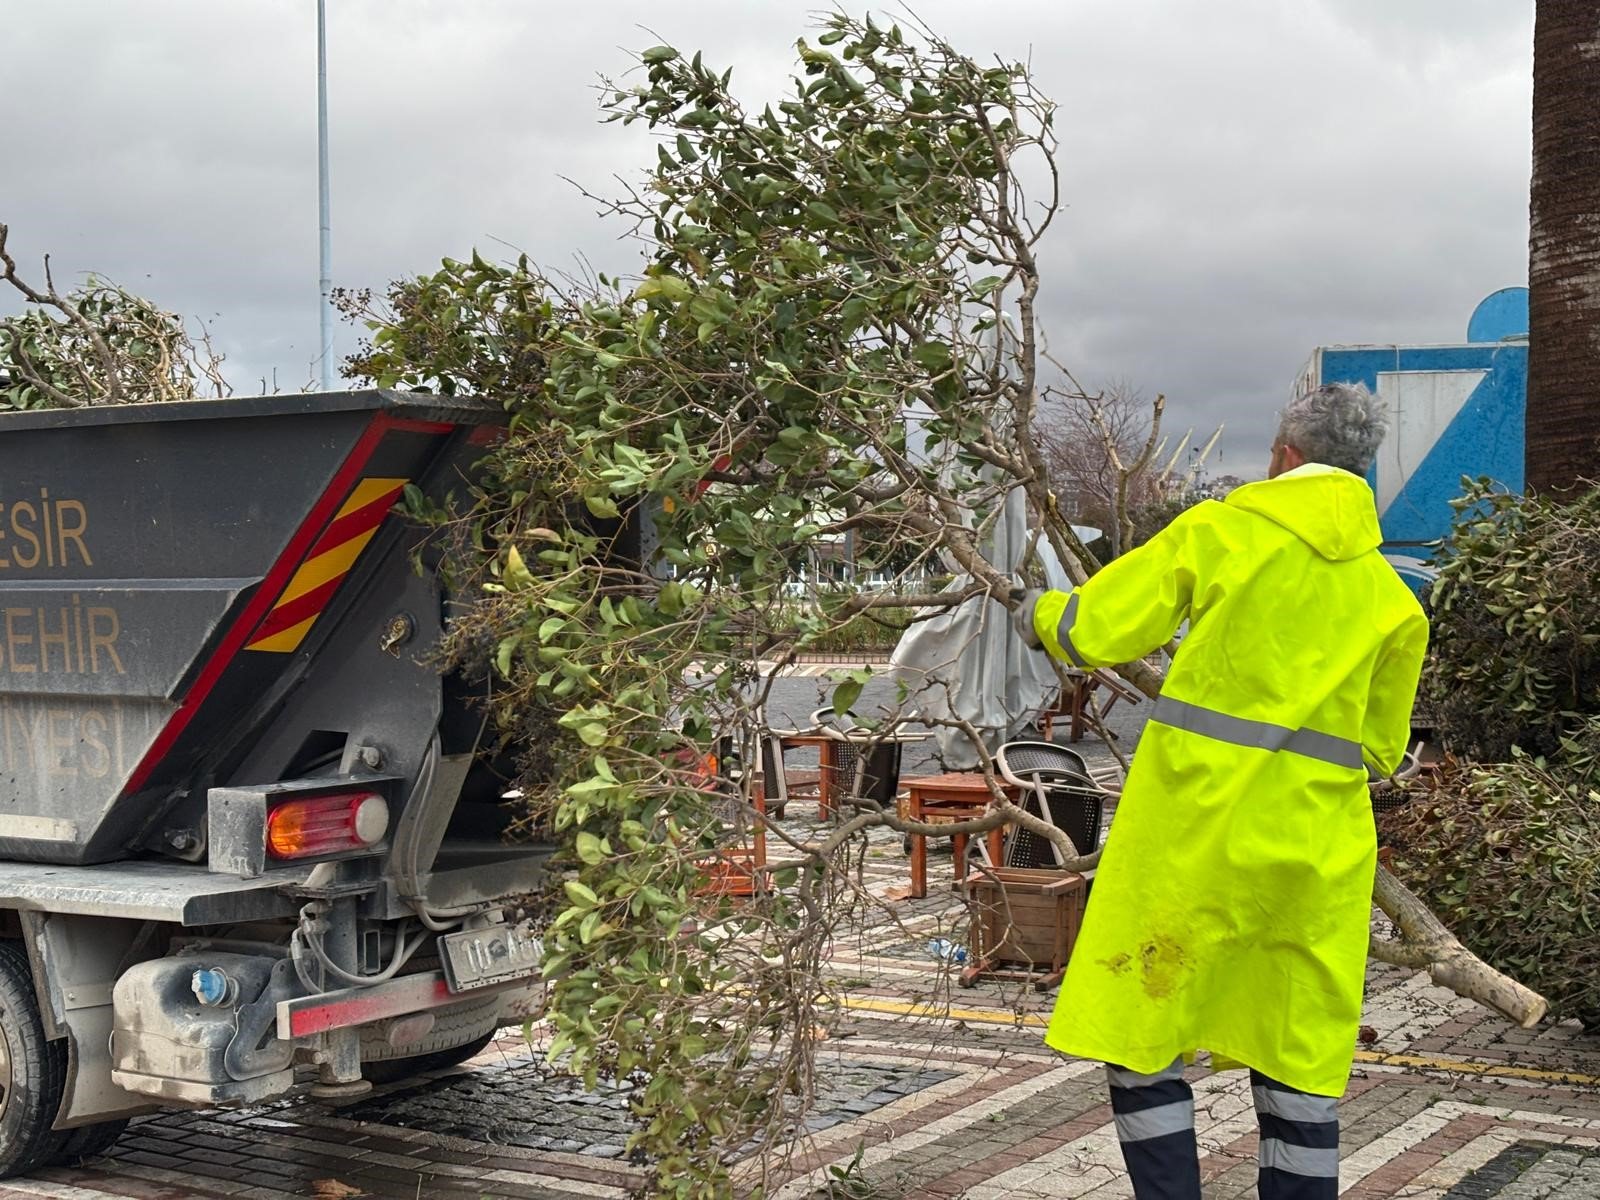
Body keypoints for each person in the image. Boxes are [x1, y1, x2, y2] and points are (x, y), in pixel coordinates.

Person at [1013, 382, 1427, 1200]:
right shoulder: (1391, 594)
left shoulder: (1221, 531)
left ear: (1283, 456)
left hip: (1193, 835)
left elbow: (1099, 629)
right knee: (1294, 1047)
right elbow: (1379, 746)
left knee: (1144, 1031)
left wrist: (1038, 613)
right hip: (1315, 853)